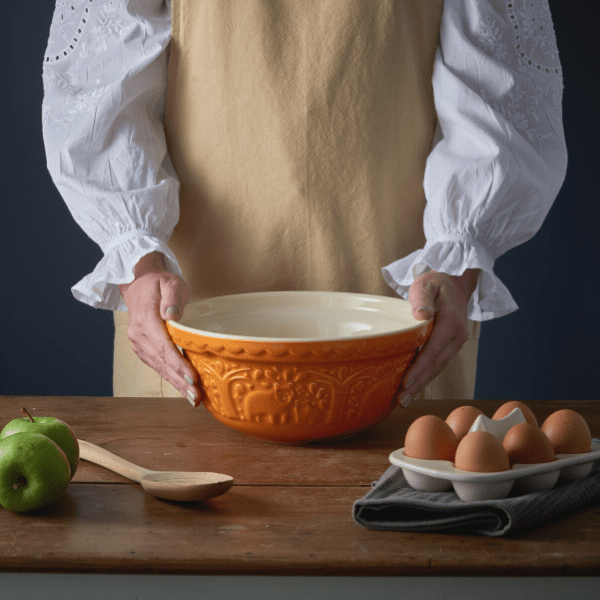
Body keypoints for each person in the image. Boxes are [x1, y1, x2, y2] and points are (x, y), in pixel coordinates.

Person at [42, 0, 567, 408]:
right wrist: (138, 263)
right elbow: (97, 96)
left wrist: (457, 268)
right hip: (187, 331)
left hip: (402, 323)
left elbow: (499, 100)